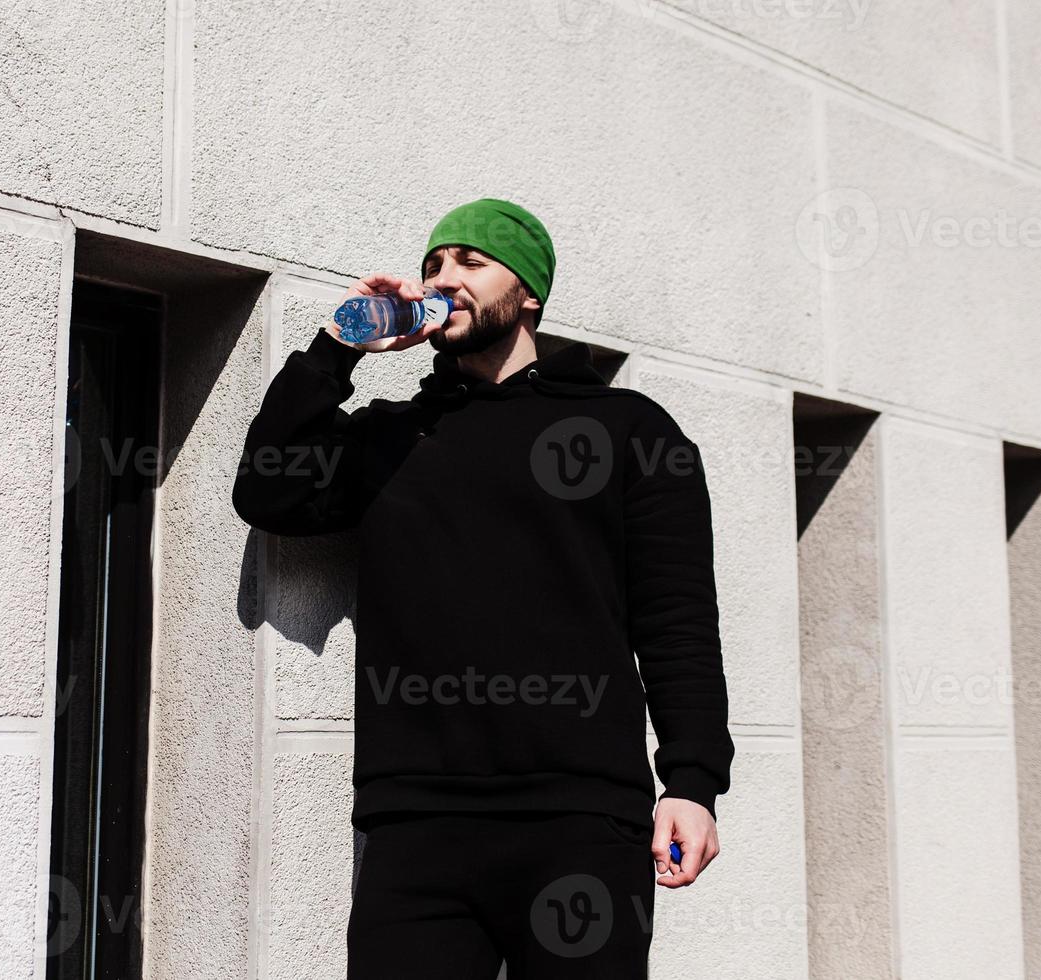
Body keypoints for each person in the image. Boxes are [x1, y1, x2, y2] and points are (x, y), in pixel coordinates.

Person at [231, 198, 734, 978]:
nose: (443, 277)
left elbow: (676, 623)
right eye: (434, 262)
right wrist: (339, 345)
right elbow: (266, 493)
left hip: (581, 818)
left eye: (470, 262)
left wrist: (692, 783)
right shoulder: (392, 434)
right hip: (416, 822)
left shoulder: (627, 428)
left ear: (527, 292)